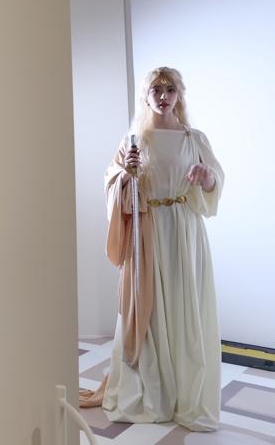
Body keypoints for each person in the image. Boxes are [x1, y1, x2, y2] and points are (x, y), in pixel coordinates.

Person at [81, 67, 224, 432]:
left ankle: (186, 395)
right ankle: (153, 391)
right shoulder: (134, 140)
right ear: (146, 96)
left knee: (184, 307)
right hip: (149, 233)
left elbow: (214, 181)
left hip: (185, 233)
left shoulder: (194, 138)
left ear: (179, 94)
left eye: (170, 89)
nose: (163, 96)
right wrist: (125, 176)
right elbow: (112, 182)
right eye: (156, 89)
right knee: (152, 308)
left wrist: (207, 178)